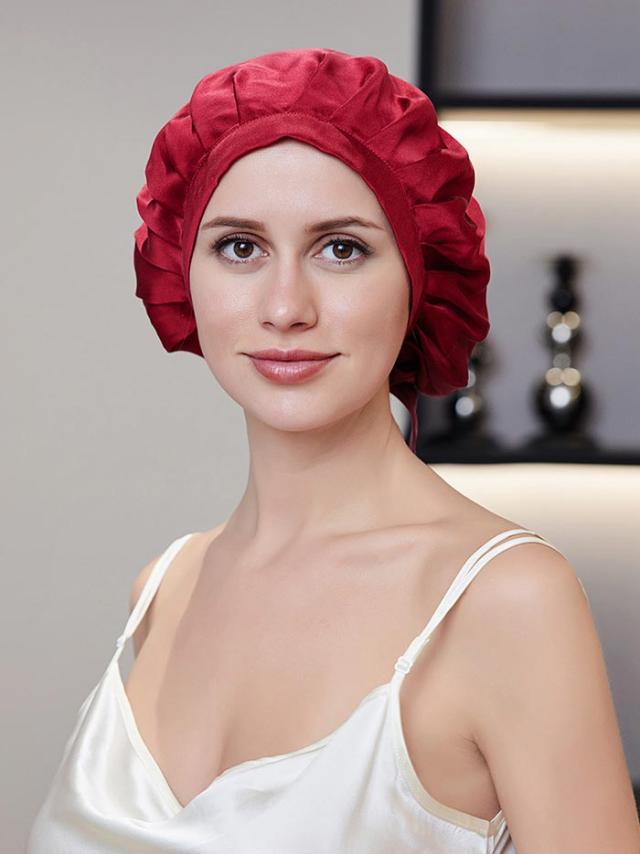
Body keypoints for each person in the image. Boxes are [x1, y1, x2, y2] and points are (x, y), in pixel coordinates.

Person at [27, 47, 640, 853]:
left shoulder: (506, 602)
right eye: (240, 247)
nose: (286, 307)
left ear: (419, 278)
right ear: (181, 269)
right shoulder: (163, 589)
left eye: (341, 248)